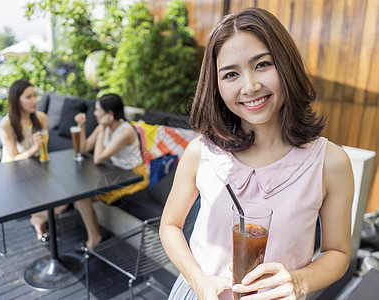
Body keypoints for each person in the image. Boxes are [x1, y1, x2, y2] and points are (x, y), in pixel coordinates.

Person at [160, 7, 354, 300]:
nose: (249, 86)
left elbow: (337, 253)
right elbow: (170, 226)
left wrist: (299, 281)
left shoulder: (330, 162)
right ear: (216, 85)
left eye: (262, 64)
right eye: (231, 74)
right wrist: (198, 280)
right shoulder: (201, 152)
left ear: (285, 65)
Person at [73, 93, 149, 250]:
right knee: (79, 194)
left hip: (134, 176)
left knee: (82, 197)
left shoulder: (125, 132)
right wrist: (82, 127)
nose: (94, 113)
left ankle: (95, 239)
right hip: (116, 173)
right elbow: (84, 148)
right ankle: (95, 236)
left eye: (97, 110)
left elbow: (98, 158)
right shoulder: (105, 126)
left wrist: (101, 129)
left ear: (109, 114)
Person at [0, 79, 67, 242]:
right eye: (28, 97)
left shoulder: (41, 117)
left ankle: (39, 219)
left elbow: (44, 148)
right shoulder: (6, 124)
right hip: (15, 171)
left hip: (37, 165)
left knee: (68, 195)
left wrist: (39, 151)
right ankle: (40, 221)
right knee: (39, 190)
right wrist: (34, 149)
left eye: (35, 95)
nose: (34, 100)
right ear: (17, 100)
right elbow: (13, 157)